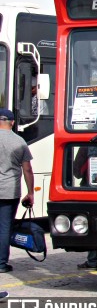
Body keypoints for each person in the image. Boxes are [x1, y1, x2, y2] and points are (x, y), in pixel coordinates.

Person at [0, 109, 35, 274]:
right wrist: (31, 192)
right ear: (13, 122)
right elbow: (27, 169)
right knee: (5, 226)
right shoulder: (19, 141)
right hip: (9, 191)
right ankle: (1, 264)